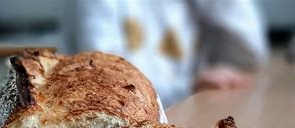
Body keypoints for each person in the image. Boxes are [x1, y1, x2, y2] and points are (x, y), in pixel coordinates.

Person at [59, 0, 268, 107]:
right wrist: (189, 86)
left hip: (188, 114)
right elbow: (109, 83)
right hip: (126, 127)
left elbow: (249, 54)